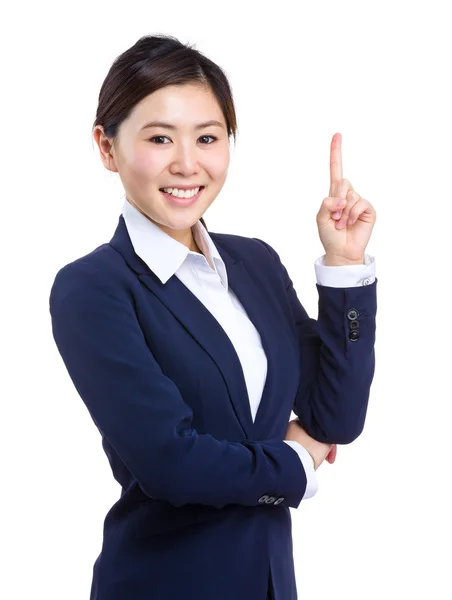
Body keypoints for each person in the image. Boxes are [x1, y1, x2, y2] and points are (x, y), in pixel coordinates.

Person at [49, 34, 377, 600]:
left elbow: (336, 418)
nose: (187, 163)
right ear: (107, 147)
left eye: (207, 137)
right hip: (162, 583)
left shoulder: (254, 262)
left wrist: (343, 267)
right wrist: (295, 463)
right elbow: (171, 462)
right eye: (159, 138)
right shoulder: (93, 288)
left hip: (271, 584)